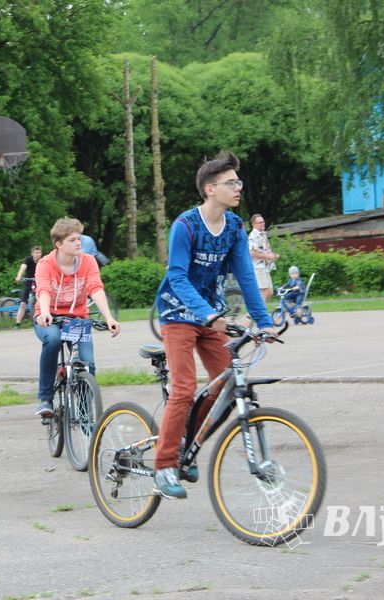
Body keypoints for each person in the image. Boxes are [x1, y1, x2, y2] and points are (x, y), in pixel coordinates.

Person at [152, 150, 276, 499]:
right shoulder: (186, 225)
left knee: (224, 386)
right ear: (210, 189)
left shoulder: (235, 227)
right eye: (231, 182)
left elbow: (246, 277)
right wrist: (205, 313)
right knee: (184, 388)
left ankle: (187, 447)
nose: (239, 188)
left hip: (213, 317)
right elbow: (176, 276)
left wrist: (264, 321)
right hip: (178, 315)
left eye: (239, 181)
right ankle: (163, 465)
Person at [33, 218, 121, 417]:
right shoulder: (45, 264)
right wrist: (45, 311)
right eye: (72, 240)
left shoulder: (88, 261)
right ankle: (45, 399)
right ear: (59, 244)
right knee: (53, 339)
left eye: (79, 238)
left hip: (76, 319)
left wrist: (109, 317)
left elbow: (95, 288)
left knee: (86, 362)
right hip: (50, 317)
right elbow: (44, 290)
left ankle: (84, 413)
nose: (78, 243)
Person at [247, 214, 279, 304]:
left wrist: (272, 255)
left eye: (263, 221)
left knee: (269, 292)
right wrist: (268, 256)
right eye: (260, 222)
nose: (263, 223)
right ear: (254, 224)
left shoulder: (262, 234)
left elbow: (263, 250)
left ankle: (255, 313)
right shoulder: (254, 236)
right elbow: (251, 253)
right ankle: (257, 314)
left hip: (264, 267)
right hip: (258, 268)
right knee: (265, 292)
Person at [13, 246, 42, 329]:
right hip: (27, 281)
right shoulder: (28, 259)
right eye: (36, 253)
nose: (38, 254)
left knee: (41, 300)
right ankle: (17, 324)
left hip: (38, 282)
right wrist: (19, 276)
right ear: (32, 253)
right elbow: (23, 268)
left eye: (39, 252)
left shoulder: (42, 261)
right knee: (23, 303)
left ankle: (40, 320)